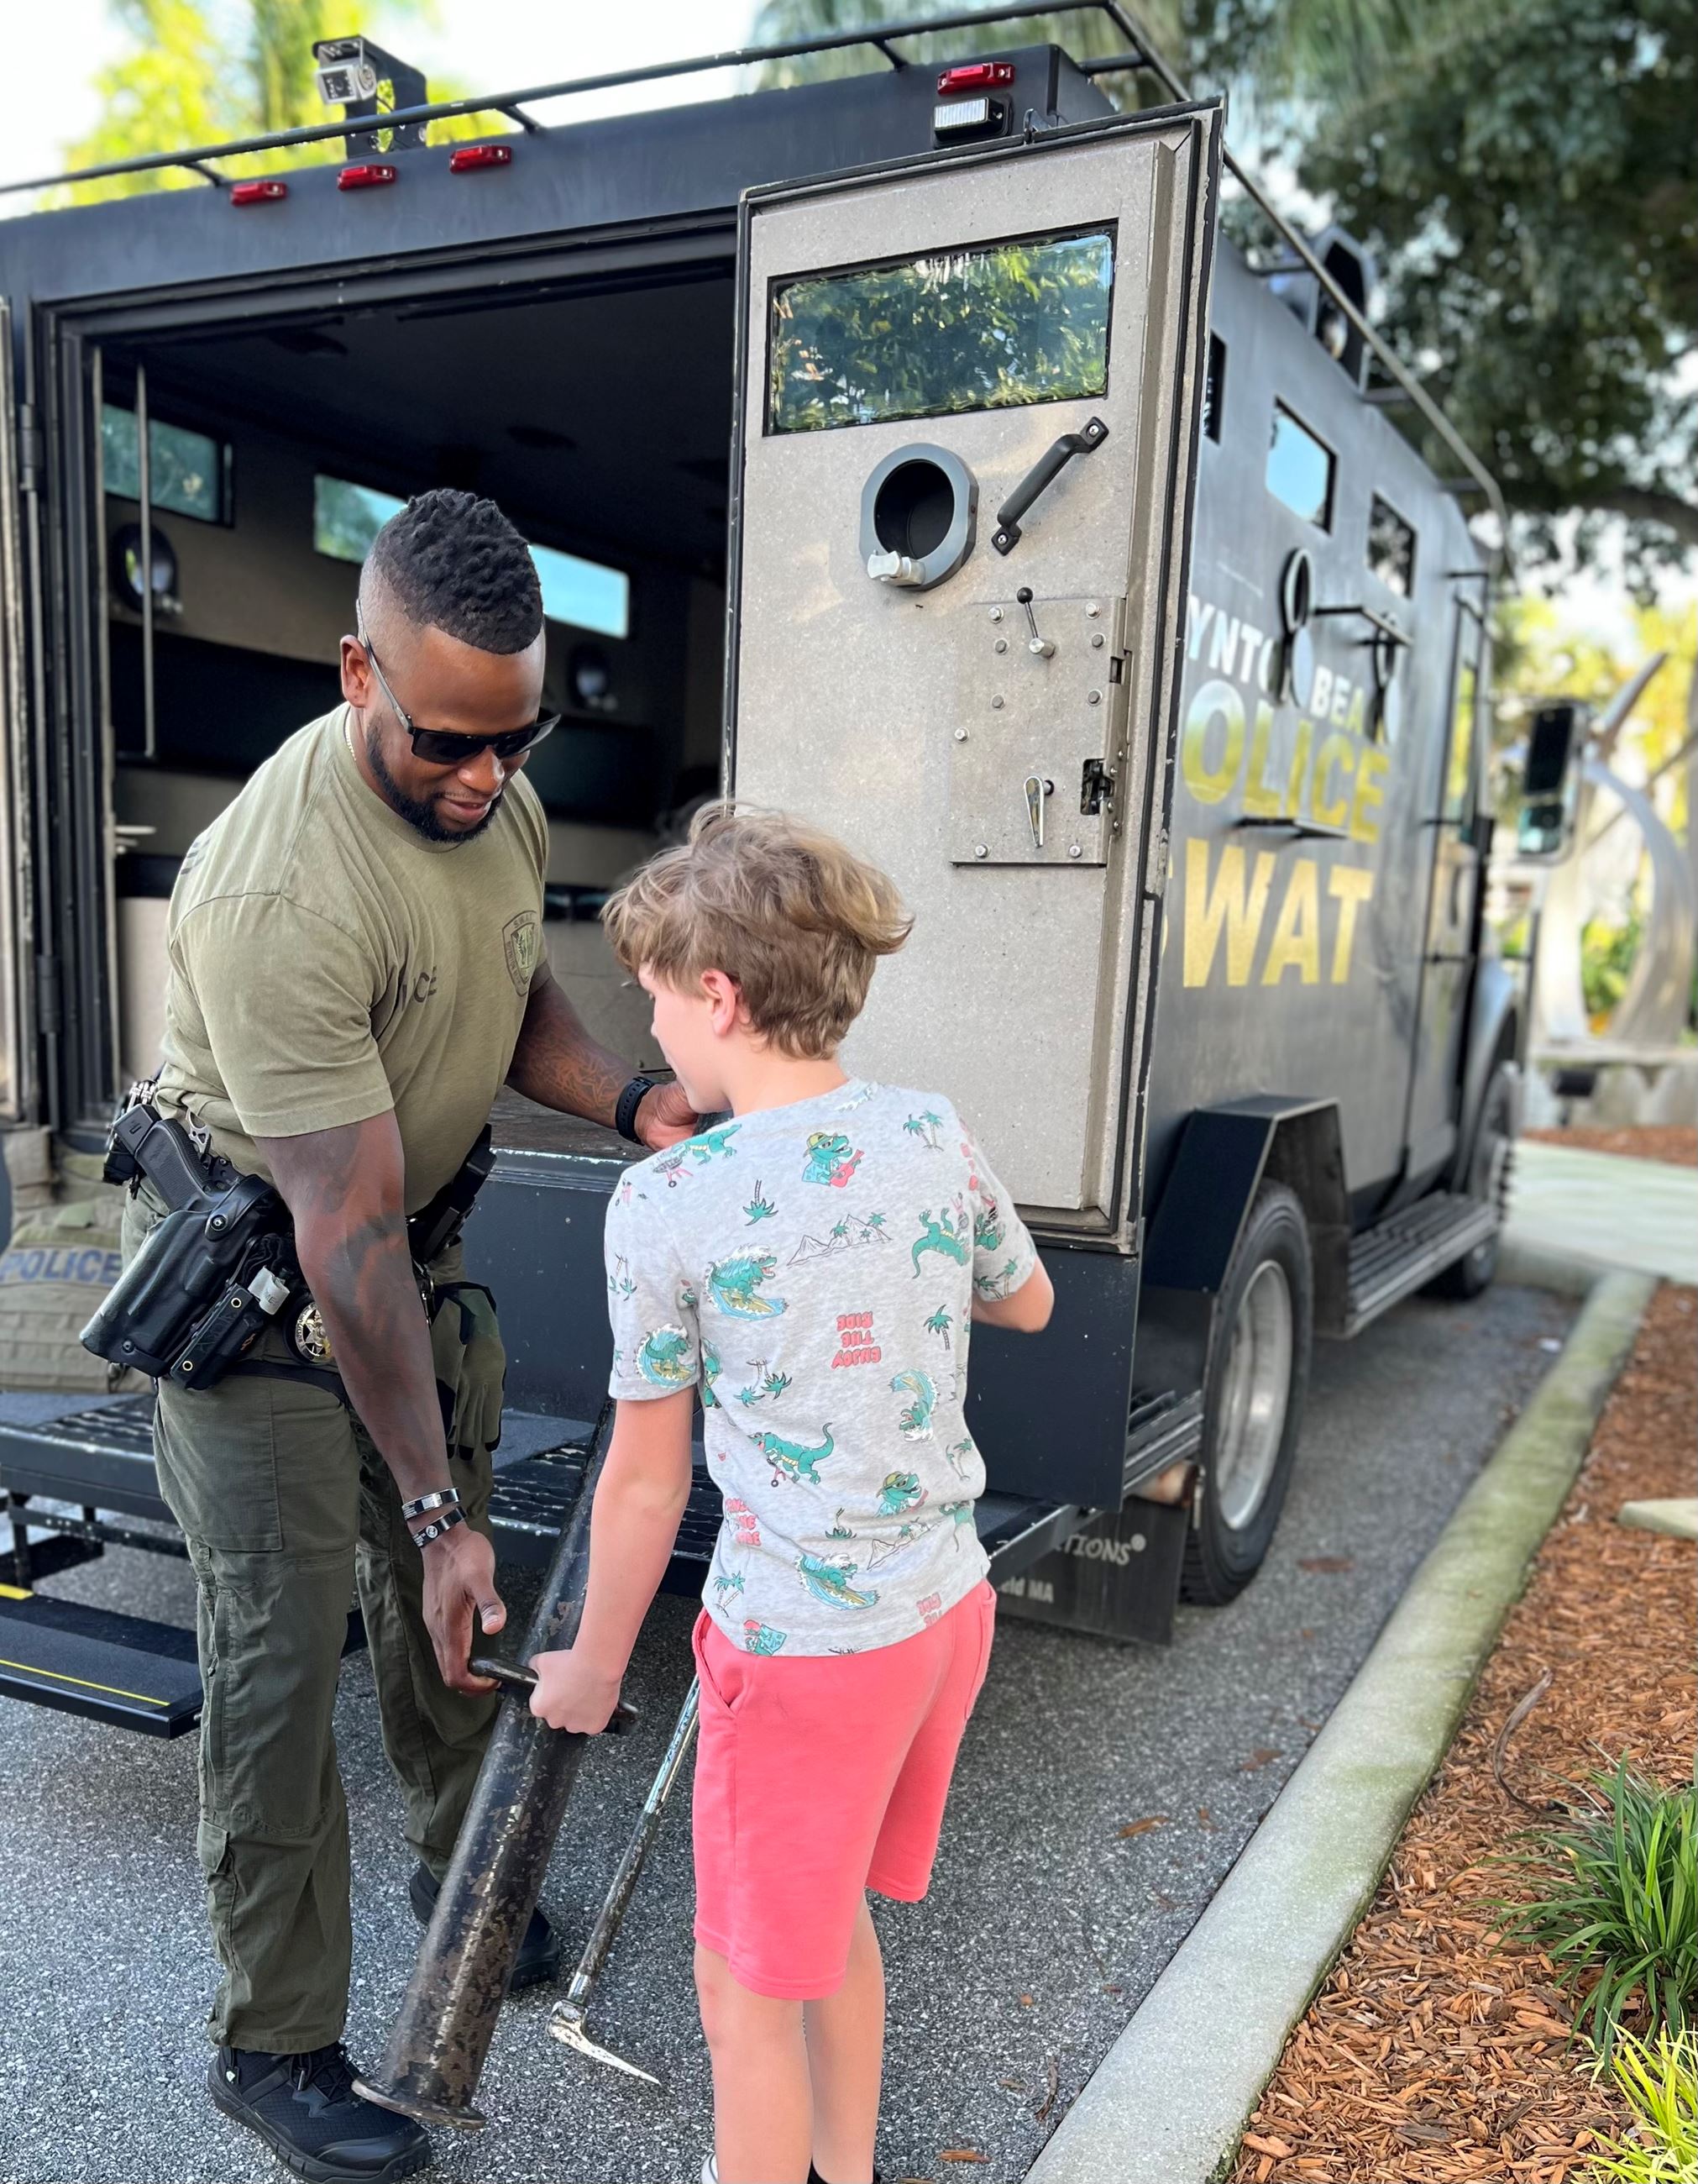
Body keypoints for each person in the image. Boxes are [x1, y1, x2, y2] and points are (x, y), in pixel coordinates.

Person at [127, 489, 697, 2184]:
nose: (487, 777)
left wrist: (640, 1099)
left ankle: (464, 1893)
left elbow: (512, 990)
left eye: (518, 738)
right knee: (282, 1681)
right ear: (355, 671)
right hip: (267, 1305)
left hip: (401, 1279)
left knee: (456, 1634)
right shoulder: (278, 884)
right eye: (450, 741)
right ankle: (275, 2044)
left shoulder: (488, 793)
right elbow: (343, 1236)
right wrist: (434, 1507)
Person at [527, 805, 1055, 2184]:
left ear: (720, 994)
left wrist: (589, 1663)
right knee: (824, 1935)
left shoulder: (668, 1201)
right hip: (941, 1613)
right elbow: (1031, 1301)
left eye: (653, 1003)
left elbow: (643, 1483)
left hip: (805, 1653)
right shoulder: (927, 1131)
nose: (649, 1037)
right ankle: (844, 2169)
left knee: (741, 1987)